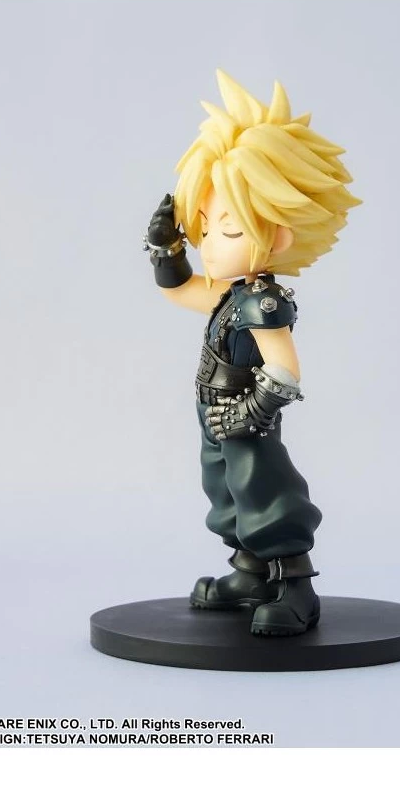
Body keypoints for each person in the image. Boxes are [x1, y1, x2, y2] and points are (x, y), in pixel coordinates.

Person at [142, 70, 360, 635]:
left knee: (265, 490)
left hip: (245, 414)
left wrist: (250, 412)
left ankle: (295, 587)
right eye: (206, 226)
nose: (211, 245)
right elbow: (183, 291)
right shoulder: (230, 295)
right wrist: (166, 250)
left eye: (231, 231)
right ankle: (250, 572)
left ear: (277, 236)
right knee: (224, 489)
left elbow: (285, 368)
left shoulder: (262, 302)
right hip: (214, 412)